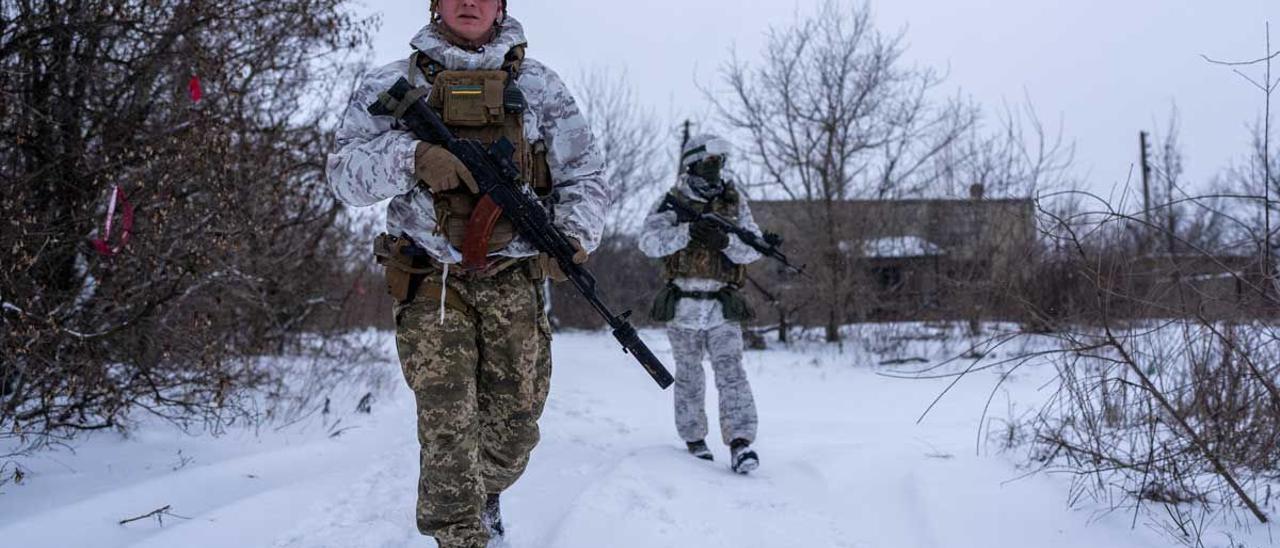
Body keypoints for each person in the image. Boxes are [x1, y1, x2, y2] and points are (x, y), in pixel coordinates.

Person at [326, 1, 605, 546]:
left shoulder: (541, 86)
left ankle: (487, 491)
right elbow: (342, 177)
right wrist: (411, 157)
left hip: (515, 280)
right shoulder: (391, 82)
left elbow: (585, 175)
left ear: (502, 5)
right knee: (447, 421)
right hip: (431, 279)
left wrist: (574, 236)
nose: (470, 3)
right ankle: (460, 533)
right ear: (435, 4)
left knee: (515, 431)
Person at [638, 133, 762, 474]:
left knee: (732, 373)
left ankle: (740, 443)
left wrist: (725, 241)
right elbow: (648, 242)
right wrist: (687, 233)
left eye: (719, 163)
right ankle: (694, 439)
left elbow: (753, 247)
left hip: (722, 305)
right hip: (683, 305)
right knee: (690, 376)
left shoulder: (735, 201)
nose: (716, 169)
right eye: (710, 162)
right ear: (693, 163)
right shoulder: (672, 200)